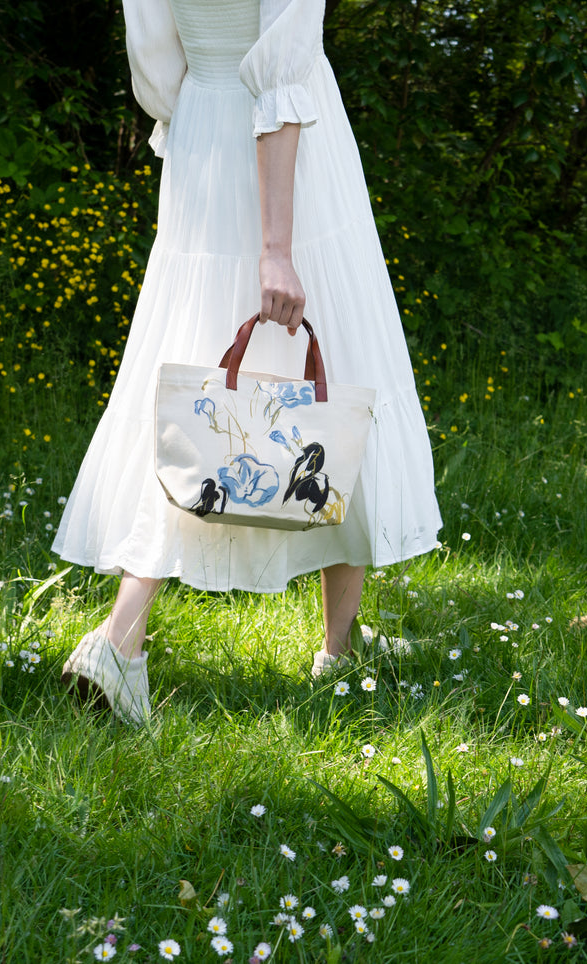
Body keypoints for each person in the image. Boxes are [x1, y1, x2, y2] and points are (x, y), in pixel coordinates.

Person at [52, 0, 441, 724]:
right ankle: (125, 640)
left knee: (198, 389)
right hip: (287, 162)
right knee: (343, 371)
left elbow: (155, 57)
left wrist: (200, 118)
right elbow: (281, 80)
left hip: (204, 133)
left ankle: (326, 643)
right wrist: (275, 248)